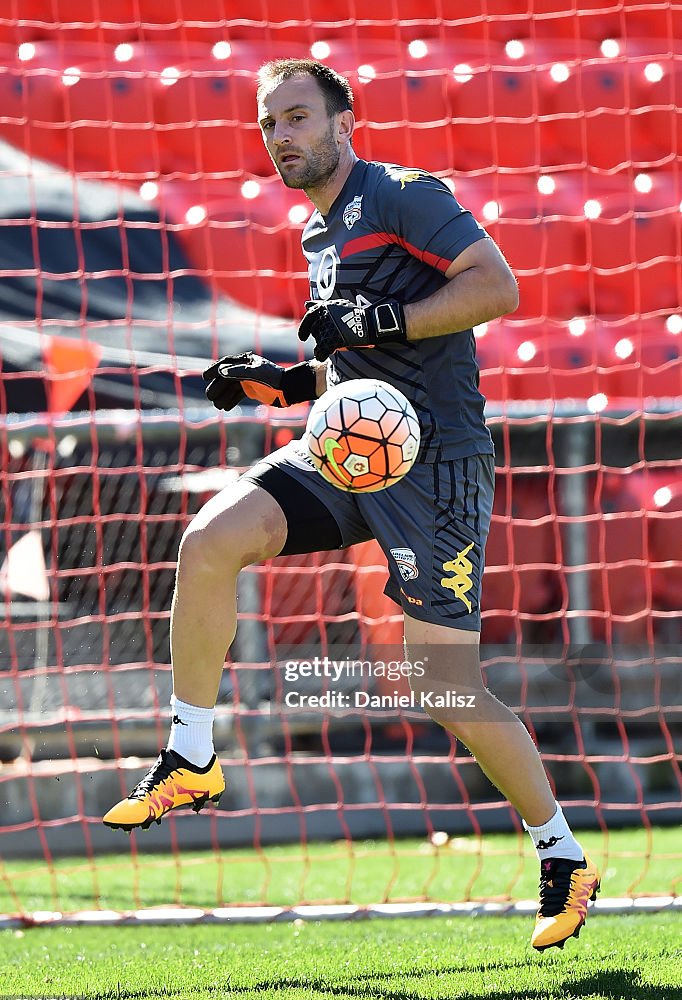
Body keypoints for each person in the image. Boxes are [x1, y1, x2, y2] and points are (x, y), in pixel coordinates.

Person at [103, 58, 600, 951]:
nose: (282, 136)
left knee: (446, 686)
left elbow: (498, 287)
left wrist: (377, 324)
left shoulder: (404, 193)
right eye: (269, 125)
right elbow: (350, 366)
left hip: (436, 465)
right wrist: (282, 381)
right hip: (350, 448)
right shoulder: (317, 235)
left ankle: (561, 853)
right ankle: (192, 754)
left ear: (345, 120)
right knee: (209, 539)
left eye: (298, 117)